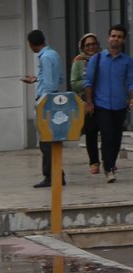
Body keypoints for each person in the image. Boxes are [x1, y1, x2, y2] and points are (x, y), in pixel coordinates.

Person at [83, 24, 133, 182]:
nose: (115, 39)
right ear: (108, 38)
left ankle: (110, 163)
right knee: (106, 135)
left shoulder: (127, 61)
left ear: (123, 40)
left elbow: (131, 82)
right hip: (101, 105)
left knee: (116, 137)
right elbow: (88, 82)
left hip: (120, 105)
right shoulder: (97, 59)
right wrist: (89, 102)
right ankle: (109, 169)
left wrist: (131, 97)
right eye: (113, 36)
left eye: (119, 36)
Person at [23, 29, 65, 187]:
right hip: (53, 98)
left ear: (32, 44)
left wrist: (43, 104)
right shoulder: (53, 54)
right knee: (52, 140)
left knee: (45, 141)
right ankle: (58, 174)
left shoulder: (45, 57)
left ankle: (51, 176)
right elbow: (58, 78)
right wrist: (36, 79)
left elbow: (48, 84)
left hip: (46, 101)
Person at [71, 32, 101, 174]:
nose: (91, 47)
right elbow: (74, 83)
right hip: (87, 102)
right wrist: (90, 83)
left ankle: (109, 160)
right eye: (88, 45)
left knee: (108, 132)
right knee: (91, 132)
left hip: (104, 100)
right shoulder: (79, 61)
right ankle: (94, 162)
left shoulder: (104, 58)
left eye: (94, 44)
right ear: (83, 47)